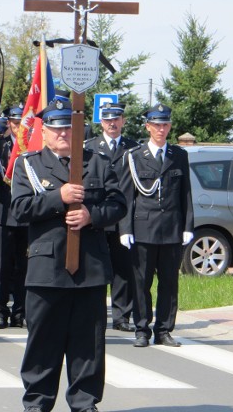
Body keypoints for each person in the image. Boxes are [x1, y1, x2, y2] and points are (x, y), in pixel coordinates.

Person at [11, 99, 126, 412]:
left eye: (67, 128)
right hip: (47, 267)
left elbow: (118, 205)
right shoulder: (29, 164)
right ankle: (37, 402)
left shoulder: (98, 162)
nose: (62, 134)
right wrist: (57, 198)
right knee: (42, 342)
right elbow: (19, 209)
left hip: (89, 266)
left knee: (88, 343)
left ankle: (84, 402)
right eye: (55, 128)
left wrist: (92, 215)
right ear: (45, 132)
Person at [119, 103, 194, 348]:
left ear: (170, 126)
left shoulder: (178, 155)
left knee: (169, 283)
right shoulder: (134, 156)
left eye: (165, 124)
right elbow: (127, 196)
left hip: (171, 228)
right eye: (156, 125)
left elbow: (185, 194)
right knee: (141, 283)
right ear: (148, 126)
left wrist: (187, 225)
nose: (161, 129)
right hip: (143, 229)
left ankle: (163, 329)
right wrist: (125, 229)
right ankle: (142, 329)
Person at [83, 102, 139, 332]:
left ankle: (121, 316)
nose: (112, 124)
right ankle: (92, 313)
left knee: (123, 270)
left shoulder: (134, 149)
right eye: (107, 120)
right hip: (97, 216)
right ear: (101, 123)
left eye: (116, 119)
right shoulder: (90, 147)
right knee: (94, 268)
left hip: (122, 217)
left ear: (123, 121)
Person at [0, 104, 28, 329]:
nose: (17, 127)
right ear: (8, 123)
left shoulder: (33, 147)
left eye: (20, 122)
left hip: (27, 215)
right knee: (1, 267)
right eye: (14, 123)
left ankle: (20, 312)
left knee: (24, 267)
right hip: (3, 214)